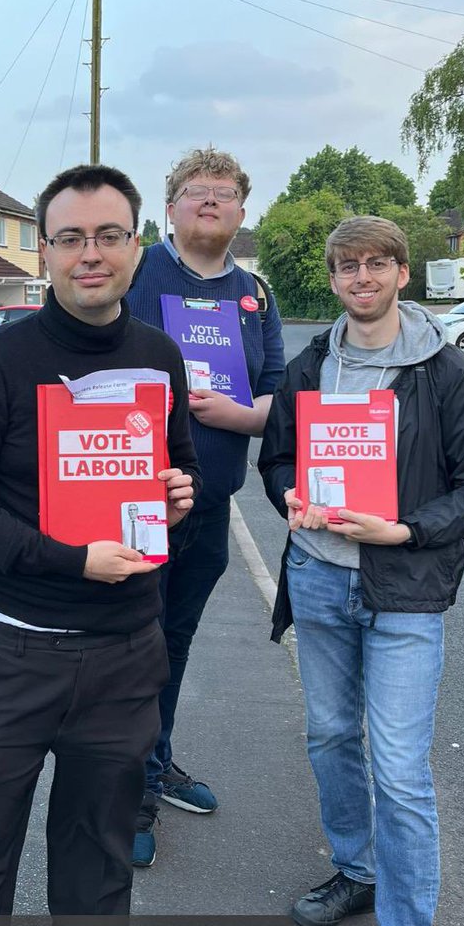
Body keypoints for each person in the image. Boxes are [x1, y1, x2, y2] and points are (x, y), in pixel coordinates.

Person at [0, 163, 200, 926]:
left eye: (109, 235)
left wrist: (179, 494)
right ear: (43, 252)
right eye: (71, 237)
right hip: (6, 655)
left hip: (121, 656)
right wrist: (71, 560)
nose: (90, 254)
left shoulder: (158, 356)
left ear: (137, 247)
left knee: (97, 876)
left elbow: (181, 468)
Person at [257, 217, 464, 926]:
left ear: (402, 273)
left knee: (398, 768)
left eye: (376, 263)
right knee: (331, 735)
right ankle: (357, 869)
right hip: (320, 579)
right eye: (346, 266)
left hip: (406, 590)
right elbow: (275, 462)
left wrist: (405, 530)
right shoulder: (308, 368)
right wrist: (290, 499)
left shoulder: (446, 373)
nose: (361, 277)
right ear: (332, 279)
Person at [125, 148, 284, 852]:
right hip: (138, 502)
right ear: (172, 206)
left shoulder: (255, 294)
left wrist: (238, 416)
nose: (211, 200)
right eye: (196, 190)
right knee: (133, 646)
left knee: (174, 643)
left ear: (242, 211)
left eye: (225, 192)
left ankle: (154, 765)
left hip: (213, 502)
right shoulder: (136, 273)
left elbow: (277, 391)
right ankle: (127, 798)